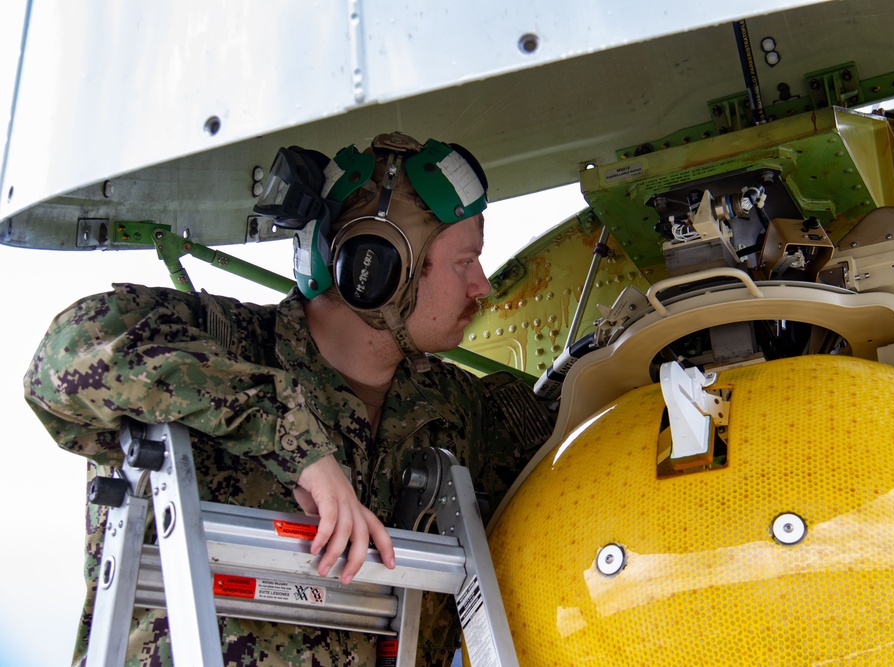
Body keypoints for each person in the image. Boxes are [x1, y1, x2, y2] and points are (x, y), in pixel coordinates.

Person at [24, 131, 553, 666]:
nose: (482, 285)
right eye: (466, 261)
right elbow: (70, 351)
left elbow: (572, 449)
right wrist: (294, 443)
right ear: (383, 267)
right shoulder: (231, 344)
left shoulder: (457, 410)